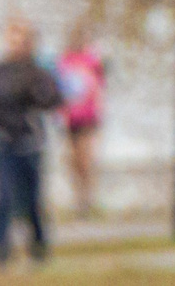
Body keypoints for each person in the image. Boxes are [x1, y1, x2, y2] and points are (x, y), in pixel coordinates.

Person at [0, 18, 64, 266]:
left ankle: (38, 247)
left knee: (33, 200)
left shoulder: (38, 72)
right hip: (4, 142)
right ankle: (1, 250)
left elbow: (53, 101)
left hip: (30, 144)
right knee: (3, 197)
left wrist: (37, 96)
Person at [56, 32, 107, 216]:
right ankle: (78, 198)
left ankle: (87, 199)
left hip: (87, 117)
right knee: (72, 160)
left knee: (85, 158)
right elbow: (58, 88)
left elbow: (100, 85)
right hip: (70, 118)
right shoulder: (64, 61)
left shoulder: (92, 60)